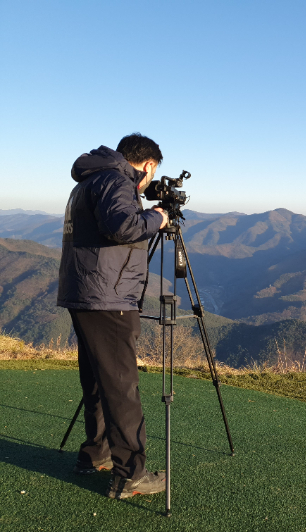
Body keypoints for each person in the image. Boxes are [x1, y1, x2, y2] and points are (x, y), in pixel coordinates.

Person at [57, 133, 170, 499]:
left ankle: (97, 453)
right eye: (153, 173)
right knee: (121, 386)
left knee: (97, 379)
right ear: (148, 164)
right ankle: (130, 474)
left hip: (85, 292)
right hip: (109, 297)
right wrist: (156, 217)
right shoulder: (115, 181)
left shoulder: (89, 180)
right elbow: (123, 227)